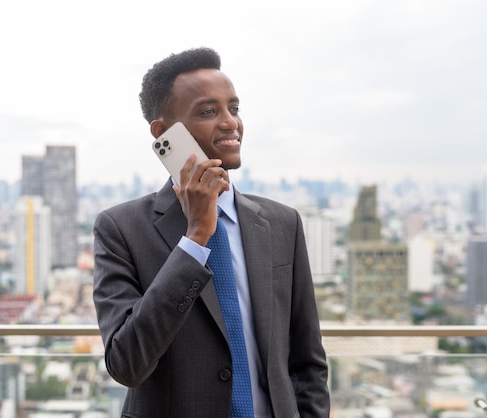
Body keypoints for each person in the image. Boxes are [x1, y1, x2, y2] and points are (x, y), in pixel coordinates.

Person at [93, 47, 330, 418]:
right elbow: (126, 363)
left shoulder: (282, 223)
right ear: (163, 133)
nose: (230, 123)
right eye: (208, 111)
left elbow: (307, 361)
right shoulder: (121, 229)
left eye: (233, 109)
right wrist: (195, 239)